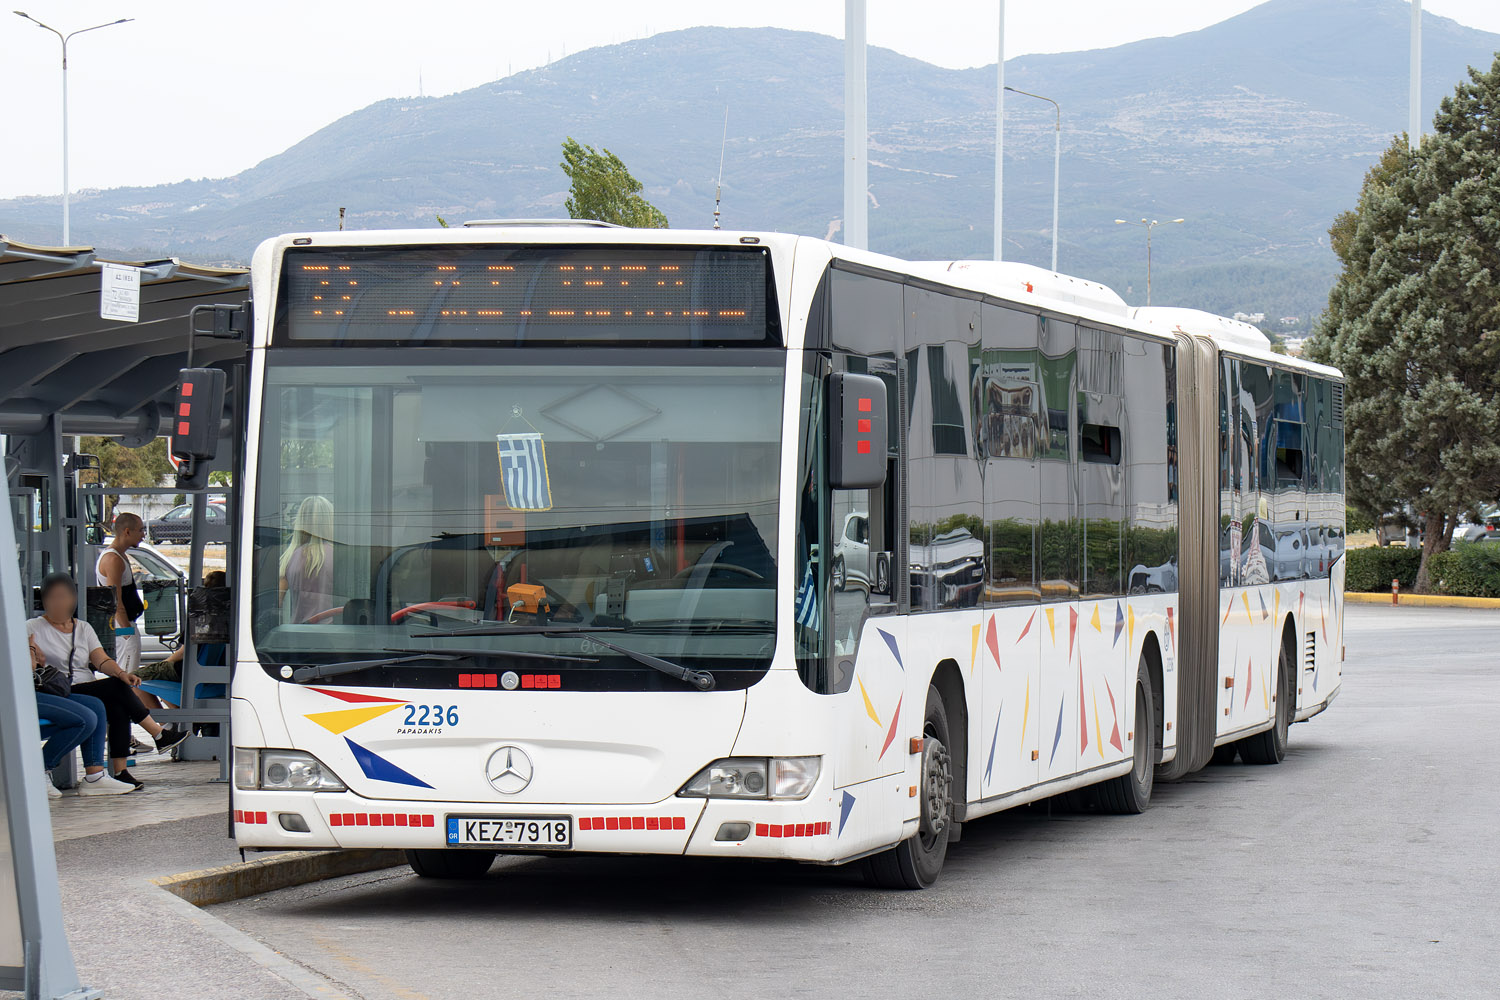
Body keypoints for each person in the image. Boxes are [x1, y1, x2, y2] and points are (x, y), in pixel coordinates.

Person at [28, 573, 189, 789]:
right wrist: (35, 656)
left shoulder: (83, 628)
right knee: (115, 687)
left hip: (84, 687)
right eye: (54, 597)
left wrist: (123, 674)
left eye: (64, 597)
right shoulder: (32, 627)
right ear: (44, 600)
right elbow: (25, 663)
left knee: (117, 703)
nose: (60, 602)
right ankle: (158, 733)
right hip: (57, 690)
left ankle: (119, 772)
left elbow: (101, 659)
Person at [30, 638, 133, 797]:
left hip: (33, 691)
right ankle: (39, 771)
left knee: (95, 705)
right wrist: (29, 647)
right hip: (15, 696)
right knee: (84, 719)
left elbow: (40, 662)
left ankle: (95, 776)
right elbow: (28, 665)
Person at [96, 512, 147, 681]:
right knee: (127, 676)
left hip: (126, 624)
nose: (143, 535)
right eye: (140, 530)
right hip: (122, 627)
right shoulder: (113, 559)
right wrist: (128, 634)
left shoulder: (118, 556)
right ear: (127, 531)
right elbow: (115, 600)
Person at [279, 496, 334, 624]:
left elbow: (277, 602)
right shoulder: (339, 555)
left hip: (298, 634)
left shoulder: (289, 557)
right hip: (332, 634)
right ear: (329, 520)